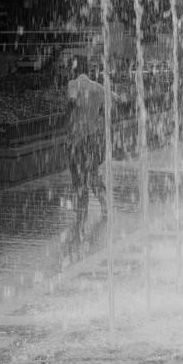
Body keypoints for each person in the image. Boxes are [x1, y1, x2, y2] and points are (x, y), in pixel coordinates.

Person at [65, 61, 127, 242]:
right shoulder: (99, 88)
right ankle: (104, 203)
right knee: (92, 172)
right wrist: (99, 114)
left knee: (77, 174)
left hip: (76, 139)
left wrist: (68, 123)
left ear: (75, 70)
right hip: (92, 139)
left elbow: (71, 102)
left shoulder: (73, 84)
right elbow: (117, 99)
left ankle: (81, 210)